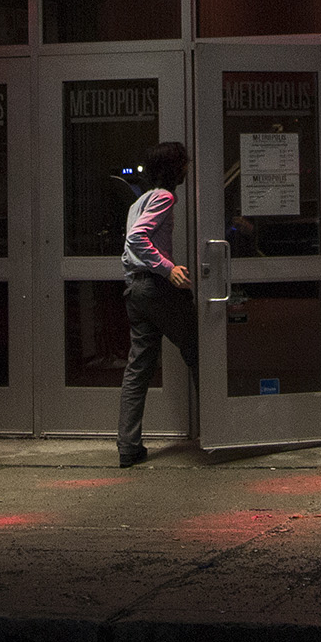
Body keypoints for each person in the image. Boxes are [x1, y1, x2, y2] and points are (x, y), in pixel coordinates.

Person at [117, 141, 198, 468]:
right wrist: (168, 269)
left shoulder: (138, 202)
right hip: (155, 288)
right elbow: (136, 238)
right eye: (184, 163)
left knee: (138, 368)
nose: (187, 168)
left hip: (135, 289)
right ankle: (222, 429)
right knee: (199, 350)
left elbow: (129, 249)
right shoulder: (164, 197)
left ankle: (128, 446)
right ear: (174, 168)